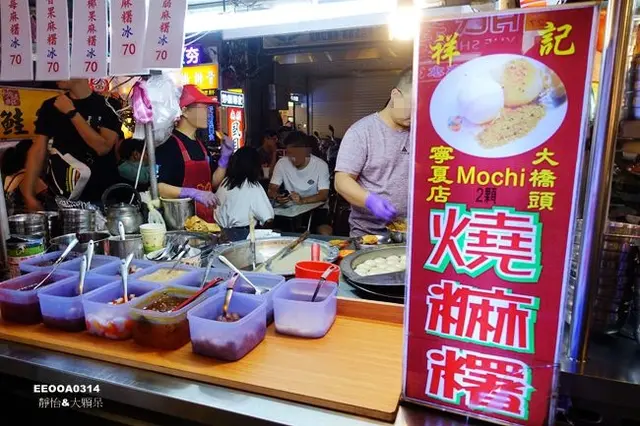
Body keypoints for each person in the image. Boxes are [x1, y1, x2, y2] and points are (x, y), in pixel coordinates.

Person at [334, 67, 413, 237]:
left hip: (411, 232)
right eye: (411, 107)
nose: (415, 115)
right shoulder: (362, 132)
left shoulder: (419, 133)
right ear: (395, 95)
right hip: (369, 234)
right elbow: (342, 181)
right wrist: (369, 200)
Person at [23, 79, 122, 210]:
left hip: (101, 198)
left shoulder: (109, 105)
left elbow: (103, 148)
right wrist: (28, 194)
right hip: (61, 199)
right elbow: (38, 150)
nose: (57, 75)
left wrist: (71, 112)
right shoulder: (50, 106)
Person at [155, 84, 233, 223]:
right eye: (203, 108)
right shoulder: (169, 145)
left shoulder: (201, 145)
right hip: (180, 222)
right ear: (184, 111)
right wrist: (192, 193)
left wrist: (224, 158)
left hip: (206, 222)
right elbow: (158, 188)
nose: (208, 113)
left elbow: (213, 182)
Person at [268, 131, 332, 235]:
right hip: (290, 210)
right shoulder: (282, 164)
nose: (292, 158)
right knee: (274, 232)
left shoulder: (321, 165)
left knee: (325, 232)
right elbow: (271, 189)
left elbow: (323, 195)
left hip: (317, 210)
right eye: (289, 154)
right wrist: (277, 196)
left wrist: (302, 200)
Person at [215, 147, 274, 230]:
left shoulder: (225, 182)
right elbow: (268, 217)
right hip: (243, 233)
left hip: (219, 231)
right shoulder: (252, 186)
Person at [2, 140, 48, 214]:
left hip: (12, 219)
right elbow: (51, 201)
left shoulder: (9, 177)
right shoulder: (30, 178)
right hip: (30, 219)